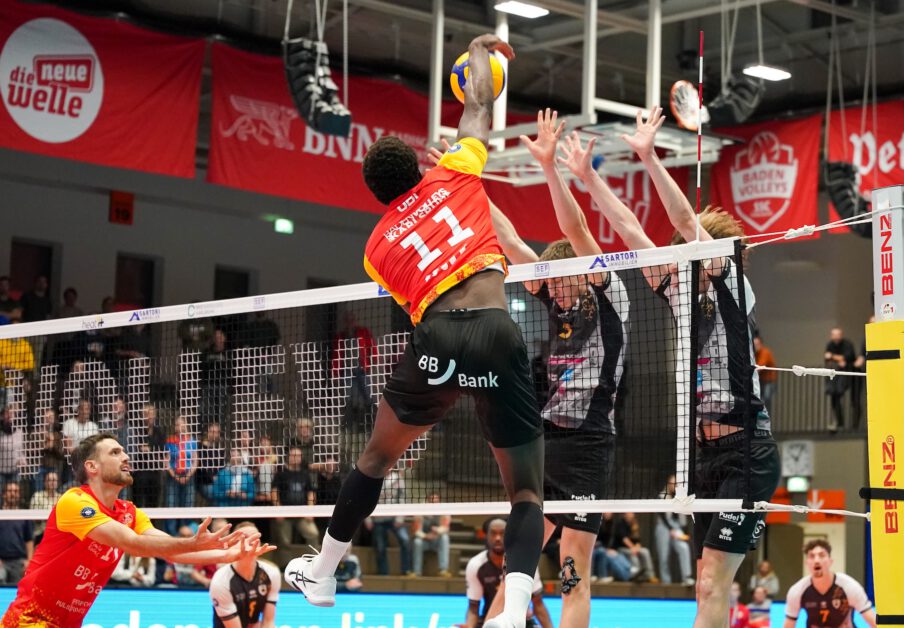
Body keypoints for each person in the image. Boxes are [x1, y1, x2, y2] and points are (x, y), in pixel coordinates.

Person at [284, 34, 546, 628]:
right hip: (495, 332)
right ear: (419, 165)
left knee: (376, 457)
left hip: (436, 341)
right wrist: (479, 50)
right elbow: (478, 104)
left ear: (377, 194)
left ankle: (323, 573)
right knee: (526, 494)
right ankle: (513, 614)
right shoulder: (456, 172)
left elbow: (413, 302)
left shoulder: (375, 250)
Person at [559, 105, 781, 628]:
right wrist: (587, 178)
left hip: (747, 451)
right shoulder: (681, 292)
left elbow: (683, 221)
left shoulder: (731, 282)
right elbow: (629, 229)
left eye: (687, 251)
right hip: (702, 455)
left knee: (712, 582)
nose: (677, 258)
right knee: (703, 582)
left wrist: (648, 157)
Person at [1, 432, 273, 627]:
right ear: (91, 466)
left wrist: (228, 555)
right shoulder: (74, 501)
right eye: (115, 452)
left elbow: (170, 551)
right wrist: (194, 542)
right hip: (28, 620)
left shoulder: (129, 512)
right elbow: (132, 543)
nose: (126, 456)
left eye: (123, 451)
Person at [464, 518, 552, 628]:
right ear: (486, 536)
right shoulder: (476, 565)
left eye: (502, 533)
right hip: (489, 620)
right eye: (493, 533)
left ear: (510, 536)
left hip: (522, 621)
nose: (497, 538)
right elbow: (473, 607)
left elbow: (538, 603)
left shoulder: (525, 562)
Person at [783, 540, 877, 628]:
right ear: (806, 563)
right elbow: (789, 625)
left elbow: (874, 622)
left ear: (830, 561)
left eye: (821, 555)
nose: (816, 560)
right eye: (812, 556)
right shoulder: (797, 591)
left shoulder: (849, 587)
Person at [209, 522, 281, 628]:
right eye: (246, 538)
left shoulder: (271, 573)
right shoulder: (221, 581)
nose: (252, 542)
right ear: (233, 544)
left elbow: (268, 623)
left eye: (256, 537)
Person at [654, 475, 694, 586]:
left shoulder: (681, 498)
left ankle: (686, 577)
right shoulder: (661, 496)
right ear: (669, 484)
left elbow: (683, 517)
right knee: (664, 555)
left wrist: (684, 533)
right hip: (663, 526)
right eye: (673, 484)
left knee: (684, 547)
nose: (675, 486)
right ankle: (666, 581)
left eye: (677, 484)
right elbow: (661, 515)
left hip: (676, 527)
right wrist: (670, 529)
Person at [824, 328, 856, 432]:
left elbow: (847, 357)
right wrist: (838, 359)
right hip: (834, 375)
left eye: (838, 334)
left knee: (853, 399)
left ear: (841, 335)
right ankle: (839, 422)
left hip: (847, 374)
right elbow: (827, 358)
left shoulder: (847, 344)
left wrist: (833, 357)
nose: (836, 337)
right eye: (834, 334)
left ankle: (854, 425)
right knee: (834, 397)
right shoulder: (830, 345)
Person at [412, 492, 452, 577]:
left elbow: (446, 527)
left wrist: (437, 531)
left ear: (439, 501)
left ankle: (443, 570)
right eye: (432, 500)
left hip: (437, 541)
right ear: (428, 501)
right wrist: (426, 536)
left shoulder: (444, 511)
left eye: (436, 501)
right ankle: (417, 571)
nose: (434, 502)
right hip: (424, 541)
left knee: (445, 538)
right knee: (417, 542)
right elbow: (416, 530)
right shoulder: (419, 511)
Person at [0, 482, 33, 585]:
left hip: (19, 562)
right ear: (4, 494)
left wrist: (29, 561)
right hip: (1, 562)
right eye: (10, 491)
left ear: (19, 495)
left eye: (15, 491)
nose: (13, 494)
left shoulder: (24, 515)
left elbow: (29, 540)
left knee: (17, 590)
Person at [753, 336, 777, 414]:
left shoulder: (765, 352)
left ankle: (765, 417)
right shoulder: (756, 354)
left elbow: (760, 366)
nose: (755, 346)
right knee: (762, 400)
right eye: (754, 345)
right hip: (762, 381)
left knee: (765, 401)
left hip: (769, 381)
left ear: (761, 344)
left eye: (757, 344)